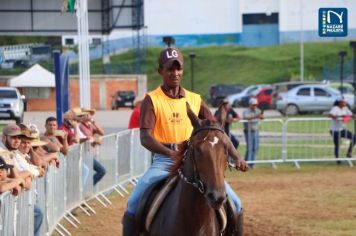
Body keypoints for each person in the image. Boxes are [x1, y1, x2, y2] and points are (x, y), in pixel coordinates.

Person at [122, 47, 248, 236]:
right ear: (161, 71)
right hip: (164, 162)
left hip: (194, 161)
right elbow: (146, 137)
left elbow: (216, 131)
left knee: (236, 203)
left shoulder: (194, 99)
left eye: (178, 69)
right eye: (170, 69)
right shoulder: (152, 100)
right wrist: (171, 153)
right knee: (133, 202)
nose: (175, 73)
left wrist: (236, 156)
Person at [78, 108, 106, 186]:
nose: (88, 116)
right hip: (83, 154)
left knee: (92, 171)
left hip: (89, 153)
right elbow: (87, 138)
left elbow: (102, 132)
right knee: (101, 171)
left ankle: (88, 188)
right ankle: (87, 188)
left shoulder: (90, 125)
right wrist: (95, 140)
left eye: (89, 114)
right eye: (86, 115)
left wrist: (94, 123)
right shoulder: (80, 127)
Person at [328, 97, 356, 163]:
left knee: (354, 137)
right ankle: (337, 159)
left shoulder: (345, 108)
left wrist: (347, 117)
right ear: (339, 102)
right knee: (337, 145)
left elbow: (351, 116)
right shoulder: (335, 108)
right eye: (344, 102)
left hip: (342, 129)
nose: (345, 103)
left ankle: (349, 153)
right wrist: (339, 117)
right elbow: (330, 115)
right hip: (334, 130)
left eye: (346, 102)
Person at [242, 98, 264, 168]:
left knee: (255, 147)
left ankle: (253, 163)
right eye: (253, 105)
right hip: (248, 132)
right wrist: (256, 116)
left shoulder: (258, 110)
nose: (255, 106)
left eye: (256, 105)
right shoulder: (246, 111)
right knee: (250, 148)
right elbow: (246, 117)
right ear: (250, 105)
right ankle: (247, 163)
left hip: (256, 131)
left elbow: (261, 117)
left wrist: (262, 117)